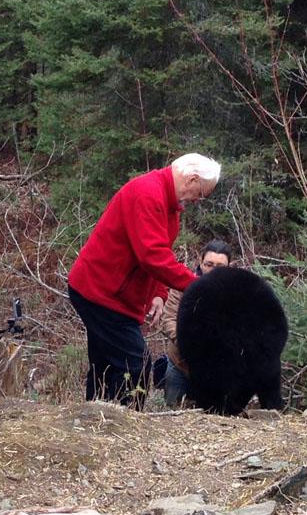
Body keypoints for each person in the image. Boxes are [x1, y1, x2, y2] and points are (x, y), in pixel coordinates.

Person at [68, 153, 221, 409]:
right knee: (134, 362)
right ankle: (128, 425)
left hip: (113, 294)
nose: (198, 200)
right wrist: (200, 285)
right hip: (99, 292)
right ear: (192, 178)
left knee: (105, 362)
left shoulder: (170, 204)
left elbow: (159, 251)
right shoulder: (147, 194)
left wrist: (159, 292)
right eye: (201, 193)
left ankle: (94, 420)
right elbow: (152, 256)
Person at [161, 240, 231, 406]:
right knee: (171, 415)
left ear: (230, 266)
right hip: (180, 366)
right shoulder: (183, 286)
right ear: (201, 262)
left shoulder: (236, 292)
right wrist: (188, 343)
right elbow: (169, 319)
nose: (213, 270)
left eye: (220, 266)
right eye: (209, 264)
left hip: (217, 372)